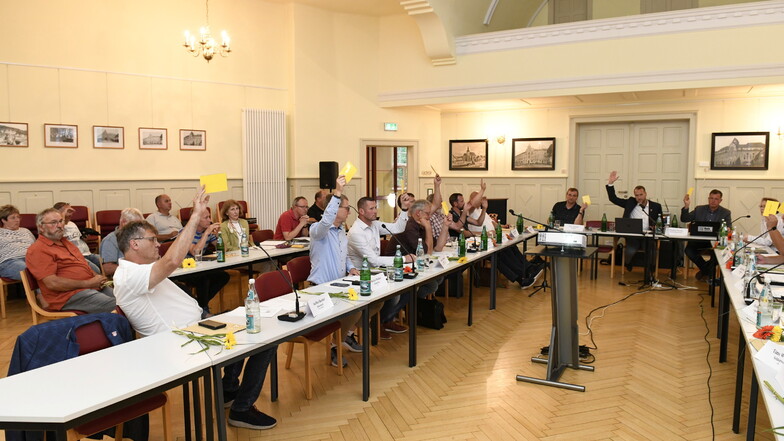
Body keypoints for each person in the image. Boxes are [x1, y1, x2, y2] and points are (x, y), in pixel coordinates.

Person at [113, 187, 277, 430]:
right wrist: (194, 217)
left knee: (251, 323)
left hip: (198, 325)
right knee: (264, 340)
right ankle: (241, 409)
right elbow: (172, 260)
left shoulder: (143, 268)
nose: (158, 245)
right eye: (153, 240)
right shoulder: (127, 276)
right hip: (179, 340)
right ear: (135, 244)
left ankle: (229, 389)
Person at [308, 176, 372, 365]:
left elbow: (345, 257)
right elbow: (326, 220)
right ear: (335, 209)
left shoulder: (341, 231)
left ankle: (346, 336)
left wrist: (351, 268)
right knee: (354, 311)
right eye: (346, 208)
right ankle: (335, 347)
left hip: (339, 284)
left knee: (368, 305)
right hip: (320, 288)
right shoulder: (317, 230)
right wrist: (337, 193)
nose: (349, 212)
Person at [25, 208, 115, 313]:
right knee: (123, 307)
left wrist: (97, 278)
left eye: (60, 221)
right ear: (41, 227)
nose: (59, 225)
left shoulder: (66, 243)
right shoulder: (38, 250)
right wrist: (88, 283)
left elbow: (83, 265)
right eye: (53, 222)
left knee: (128, 301)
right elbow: (52, 283)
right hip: (68, 297)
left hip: (90, 288)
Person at [348, 197, 412, 338]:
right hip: (362, 276)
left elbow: (398, 228)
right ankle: (377, 324)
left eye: (375, 207)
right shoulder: (356, 232)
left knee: (407, 287)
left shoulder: (374, 224)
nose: (375, 211)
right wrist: (403, 259)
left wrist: (404, 209)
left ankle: (384, 321)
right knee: (394, 295)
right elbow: (374, 261)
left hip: (377, 273)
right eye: (371, 208)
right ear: (361, 211)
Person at [385, 199, 448, 299]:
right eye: (428, 213)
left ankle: (417, 306)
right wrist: (428, 228)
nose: (430, 216)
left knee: (439, 278)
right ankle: (411, 308)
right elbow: (427, 252)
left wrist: (445, 226)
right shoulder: (410, 226)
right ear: (418, 213)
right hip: (396, 267)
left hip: (412, 264)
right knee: (432, 284)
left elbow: (437, 247)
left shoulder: (420, 224)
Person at [605, 170, 663, 271]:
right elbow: (613, 199)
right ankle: (628, 263)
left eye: (641, 195)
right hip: (633, 235)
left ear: (645, 194)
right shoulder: (630, 202)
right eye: (636, 195)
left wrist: (656, 227)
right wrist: (610, 184)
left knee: (651, 251)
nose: (639, 198)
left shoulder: (656, 206)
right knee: (630, 251)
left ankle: (650, 270)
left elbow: (660, 221)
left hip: (648, 236)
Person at [178, 207, 229, 315]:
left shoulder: (208, 232)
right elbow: (196, 252)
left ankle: (200, 304)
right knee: (203, 279)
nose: (210, 220)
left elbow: (223, 250)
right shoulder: (186, 232)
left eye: (209, 217)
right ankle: (203, 308)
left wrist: (218, 235)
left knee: (223, 276)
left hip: (200, 266)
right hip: (184, 269)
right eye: (206, 217)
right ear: (196, 220)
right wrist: (206, 234)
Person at [681, 189, 733, 281]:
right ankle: (708, 271)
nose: (713, 201)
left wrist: (728, 229)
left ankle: (705, 271)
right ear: (708, 199)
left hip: (715, 242)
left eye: (716, 199)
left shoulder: (725, 212)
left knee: (721, 254)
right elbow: (684, 219)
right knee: (688, 250)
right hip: (698, 241)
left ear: (720, 200)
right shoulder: (699, 209)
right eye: (711, 198)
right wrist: (686, 206)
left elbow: (728, 227)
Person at [53, 202, 102, 272]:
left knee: (107, 261)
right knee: (96, 270)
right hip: (76, 256)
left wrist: (84, 239)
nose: (71, 214)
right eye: (68, 211)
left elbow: (77, 239)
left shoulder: (72, 224)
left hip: (88, 253)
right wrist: (61, 216)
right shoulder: (57, 226)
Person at [99, 207, 144, 277]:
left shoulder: (138, 237)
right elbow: (107, 268)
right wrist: (134, 269)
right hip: (125, 277)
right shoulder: (110, 240)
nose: (138, 228)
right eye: (135, 225)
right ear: (124, 222)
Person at [0, 205, 36, 280]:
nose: (17, 220)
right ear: (3, 220)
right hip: (10, 261)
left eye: (18, 217)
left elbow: (36, 246)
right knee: (31, 271)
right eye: (13, 218)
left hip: (32, 259)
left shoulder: (25, 231)